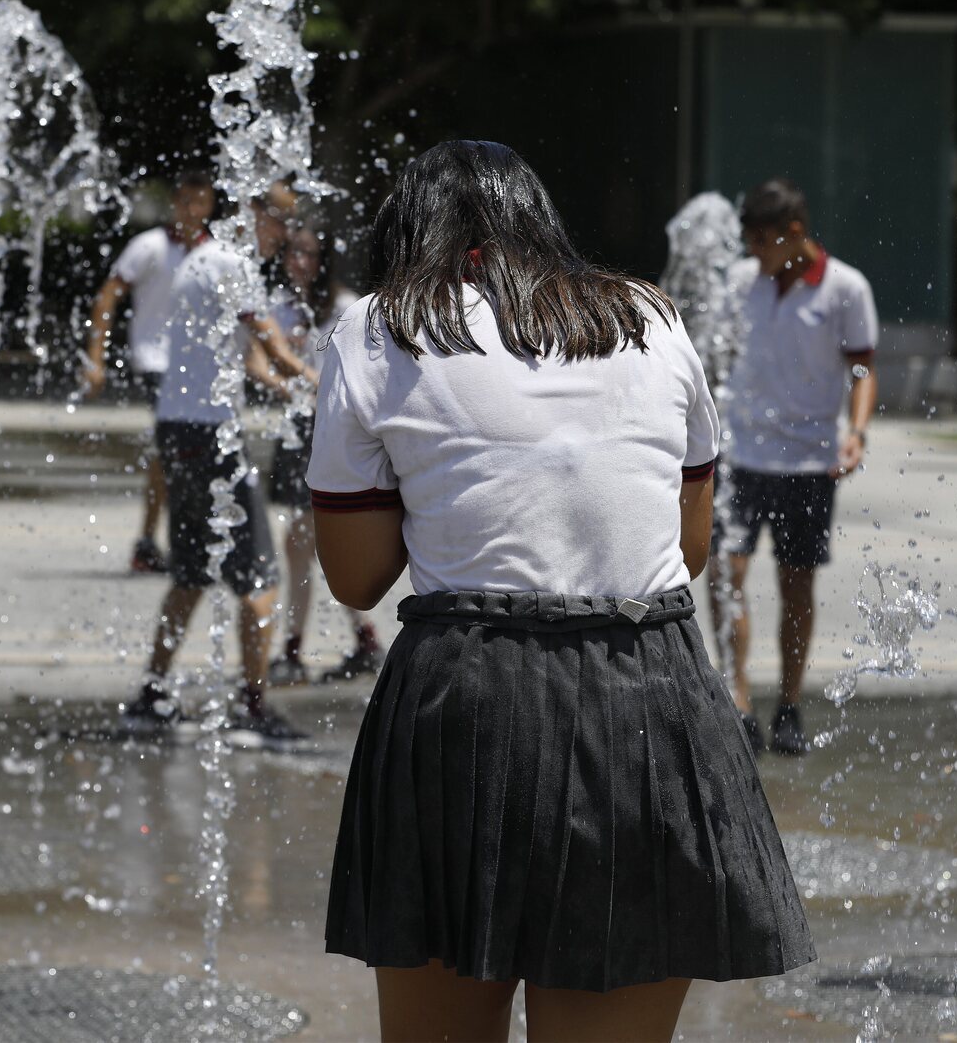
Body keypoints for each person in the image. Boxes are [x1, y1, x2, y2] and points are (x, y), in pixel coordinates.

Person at [310, 141, 813, 1043]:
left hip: (467, 701)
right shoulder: (653, 317)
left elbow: (356, 575)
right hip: (650, 698)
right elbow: (688, 544)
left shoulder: (379, 325)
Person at [117, 188, 310, 748]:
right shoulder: (232, 262)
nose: (288, 234)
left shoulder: (202, 259)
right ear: (253, 213)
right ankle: (253, 708)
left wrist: (291, 390)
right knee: (260, 579)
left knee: (192, 571)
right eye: (282, 221)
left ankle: (152, 696)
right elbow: (272, 347)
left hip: (177, 430)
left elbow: (248, 359)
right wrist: (334, 388)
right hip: (209, 436)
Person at [708, 179, 878, 756]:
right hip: (741, 456)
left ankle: (788, 703)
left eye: (762, 241)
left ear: (795, 233)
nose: (753, 253)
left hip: (807, 461)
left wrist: (854, 433)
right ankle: (737, 699)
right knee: (725, 576)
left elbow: (862, 368)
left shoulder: (844, 287)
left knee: (796, 583)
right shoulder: (739, 282)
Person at [252, 225, 383, 686]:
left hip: (334, 427)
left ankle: (301, 647)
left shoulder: (347, 306)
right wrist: (293, 383)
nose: (298, 262)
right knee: (304, 543)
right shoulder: (280, 306)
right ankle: (360, 639)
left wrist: (313, 381)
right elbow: (258, 364)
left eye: (307, 253)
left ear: (322, 258)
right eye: (292, 254)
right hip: (299, 426)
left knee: (306, 541)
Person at [82, 170, 216, 574]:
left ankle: (169, 539)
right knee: (175, 451)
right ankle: (169, 541)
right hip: (156, 360)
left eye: (201, 202)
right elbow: (107, 297)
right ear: (175, 203)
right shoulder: (150, 247)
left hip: (199, 368)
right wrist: (95, 356)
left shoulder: (215, 250)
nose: (193, 211)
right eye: (186, 201)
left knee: (184, 452)